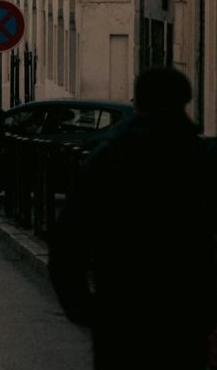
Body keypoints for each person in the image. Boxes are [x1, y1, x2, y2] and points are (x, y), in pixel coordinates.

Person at [49, 67, 217, 370]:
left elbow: (68, 243)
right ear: (185, 101)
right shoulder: (201, 160)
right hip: (185, 318)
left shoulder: (108, 160)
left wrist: (86, 310)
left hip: (120, 314)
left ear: (138, 102)